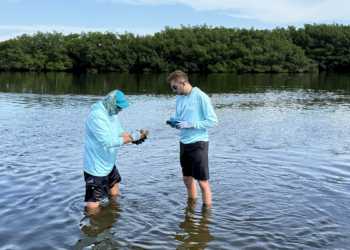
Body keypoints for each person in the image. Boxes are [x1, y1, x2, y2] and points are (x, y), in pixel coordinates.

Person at [83, 90, 142, 212]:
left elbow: (118, 131)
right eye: (118, 107)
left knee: (114, 185)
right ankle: (92, 227)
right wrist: (130, 139)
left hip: (108, 163)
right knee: (94, 201)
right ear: (110, 103)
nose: (119, 110)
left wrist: (134, 137)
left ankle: (113, 211)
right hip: (96, 167)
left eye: (121, 108)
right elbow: (108, 141)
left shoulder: (111, 114)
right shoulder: (96, 117)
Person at [166, 70, 218, 207]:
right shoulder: (179, 98)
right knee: (187, 179)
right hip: (183, 142)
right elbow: (181, 119)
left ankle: (206, 217)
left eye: (174, 87)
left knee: (202, 182)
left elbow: (213, 121)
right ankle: (192, 209)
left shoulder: (201, 97)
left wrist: (191, 124)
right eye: (172, 87)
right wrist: (176, 123)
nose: (173, 90)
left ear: (183, 83)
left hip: (198, 142)